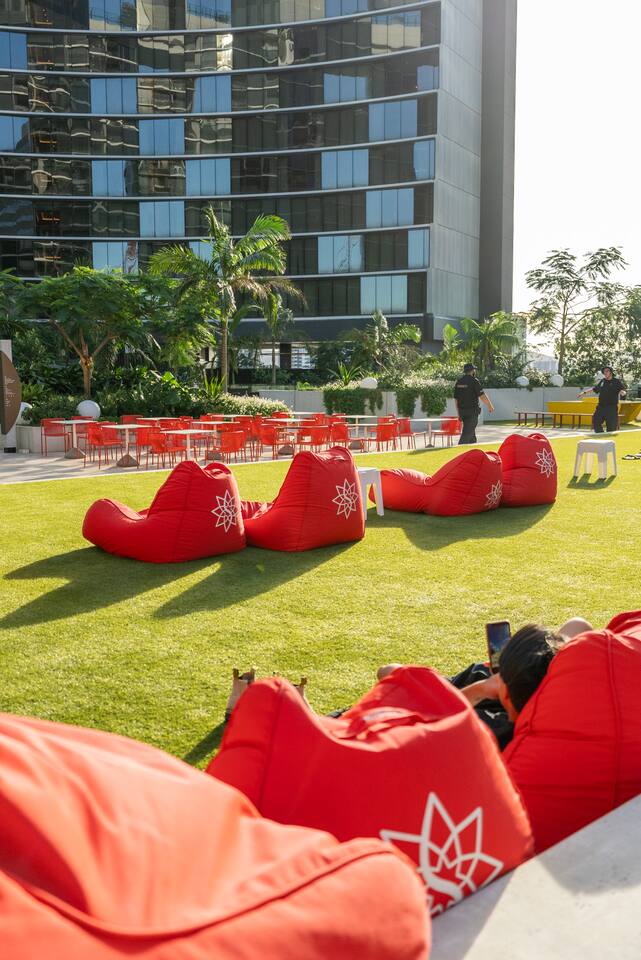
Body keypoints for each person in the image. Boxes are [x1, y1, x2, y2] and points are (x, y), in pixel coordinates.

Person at [453, 363, 494, 444]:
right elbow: (482, 396)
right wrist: (490, 406)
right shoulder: (474, 381)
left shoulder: (459, 381)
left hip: (462, 412)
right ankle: (460, 449)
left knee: (471, 434)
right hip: (472, 412)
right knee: (466, 435)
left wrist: (458, 413)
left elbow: (456, 399)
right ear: (472, 371)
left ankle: (473, 447)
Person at [578, 365, 626, 433]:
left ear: (611, 372)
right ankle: (600, 434)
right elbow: (595, 389)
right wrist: (584, 392)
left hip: (611, 408)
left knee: (611, 427)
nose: (605, 373)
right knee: (595, 421)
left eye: (607, 371)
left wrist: (623, 392)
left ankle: (608, 437)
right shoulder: (602, 381)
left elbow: (622, 390)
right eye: (604, 371)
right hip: (601, 407)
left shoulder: (616, 381)